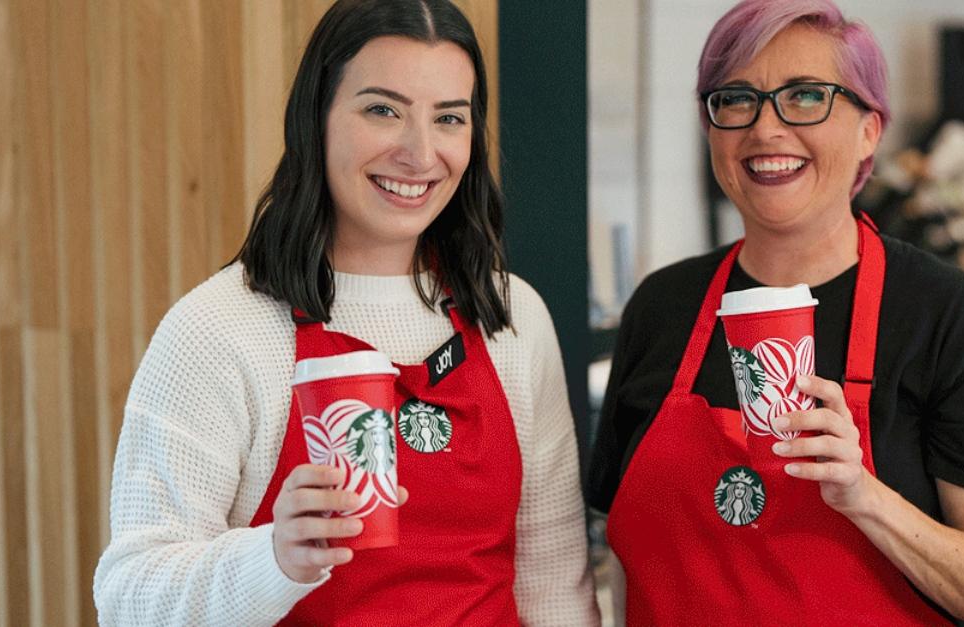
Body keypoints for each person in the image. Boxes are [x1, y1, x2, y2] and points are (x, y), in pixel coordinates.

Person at [93, 1, 598, 625]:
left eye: (448, 118)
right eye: (383, 110)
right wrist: (272, 559)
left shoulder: (512, 315)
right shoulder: (218, 330)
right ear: (316, 119)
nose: (419, 153)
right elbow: (129, 596)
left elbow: (553, 582)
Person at [585, 1, 964, 625]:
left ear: (869, 129)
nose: (766, 129)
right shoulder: (662, 307)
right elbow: (618, 549)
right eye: (736, 98)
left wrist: (864, 497)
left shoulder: (949, 319)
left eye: (806, 96)